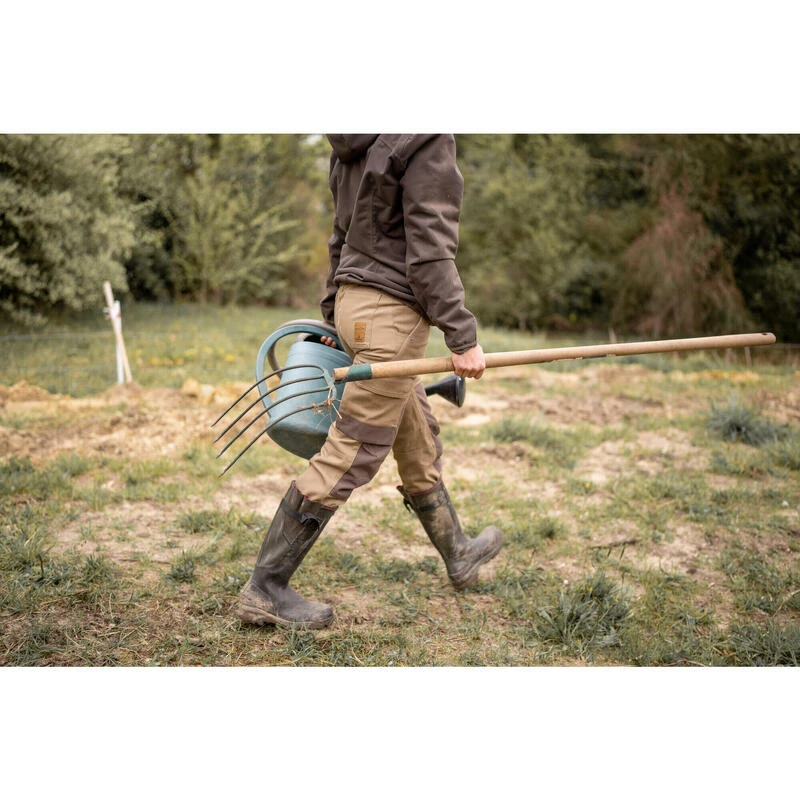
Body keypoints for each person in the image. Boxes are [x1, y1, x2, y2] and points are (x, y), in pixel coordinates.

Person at [235, 134, 503, 629]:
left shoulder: (353, 140)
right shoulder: (426, 137)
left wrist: (335, 314)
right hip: (392, 314)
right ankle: (266, 587)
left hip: (356, 304)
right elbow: (428, 252)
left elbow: (339, 238)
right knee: (351, 452)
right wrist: (462, 337)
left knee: (417, 435)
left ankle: (458, 552)